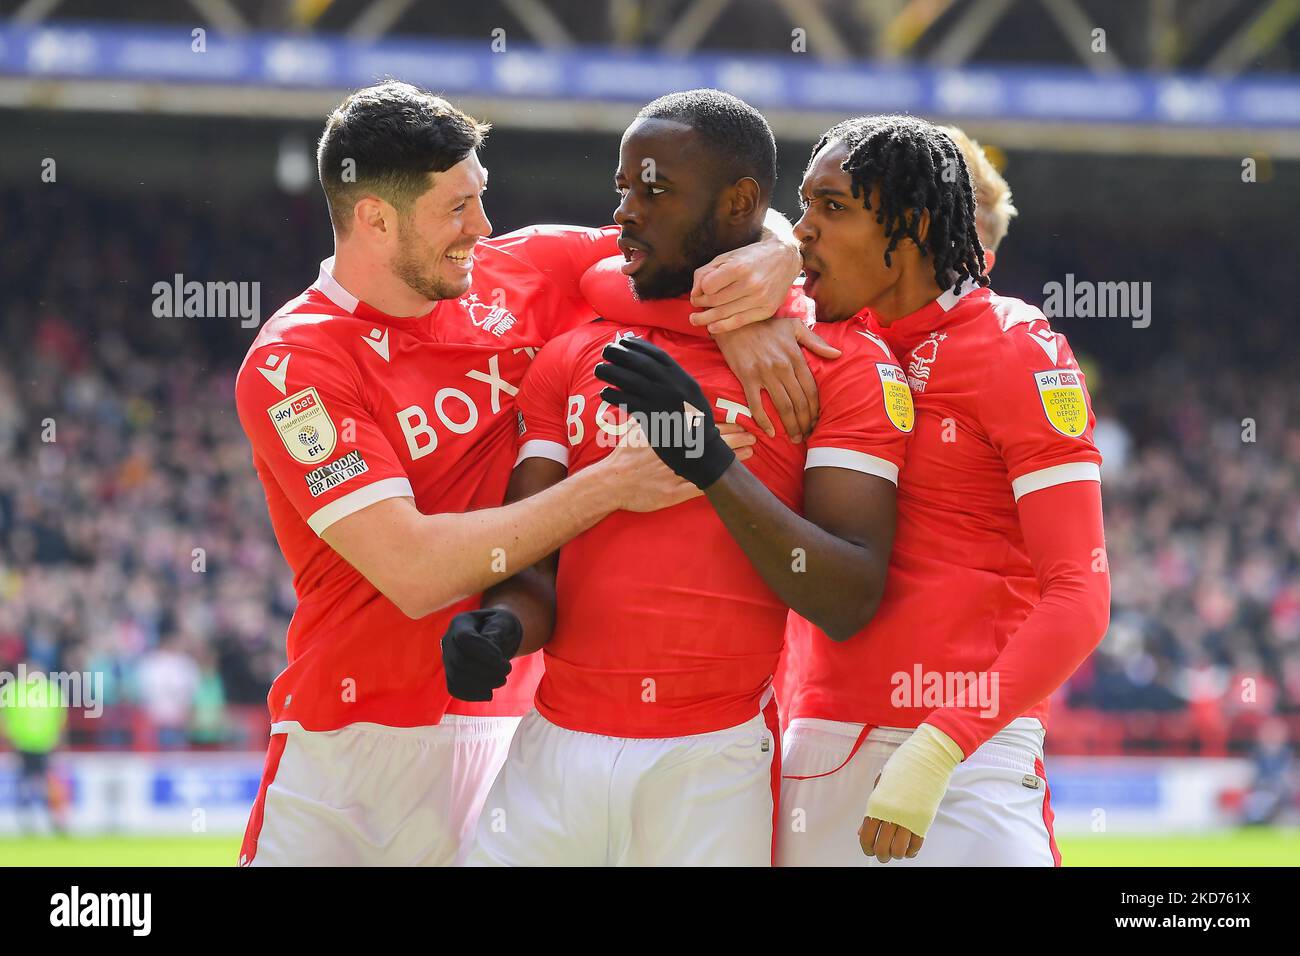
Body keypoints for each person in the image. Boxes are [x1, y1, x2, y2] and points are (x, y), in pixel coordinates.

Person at [233, 81, 799, 866]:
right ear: (375, 219)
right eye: (457, 209)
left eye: (482, 198)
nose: (483, 227)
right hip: (352, 747)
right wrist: (609, 486)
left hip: (509, 730)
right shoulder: (297, 362)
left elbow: (696, 236)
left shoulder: (531, 271)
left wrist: (777, 255)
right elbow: (414, 569)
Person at [445, 90, 911, 866]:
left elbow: (848, 596)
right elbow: (533, 572)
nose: (625, 211)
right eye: (622, 187)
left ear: (739, 203)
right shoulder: (571, 355)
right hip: (548, 755)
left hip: (712, 763)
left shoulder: (839, 364)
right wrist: (500, 629)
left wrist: (708, 461)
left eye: (654, 190)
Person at [777, 115, 1110, 866]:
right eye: (804, 206)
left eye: (831, 208)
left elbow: (1080, 597)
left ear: (914, 225)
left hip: (963, 758)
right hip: (815, 745)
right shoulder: (805, 334)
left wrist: (941, 745)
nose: (803, 231)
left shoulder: (1016, 349)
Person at [1, 663, 68, 834]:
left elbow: (60, 716)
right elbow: (5, 716)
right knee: (27, 782)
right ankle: (27, 820)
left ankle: (54, 819)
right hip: (22, 744)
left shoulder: (49, 690)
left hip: (45, 744)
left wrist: (59, 738)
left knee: (46, 783)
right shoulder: (14, 690)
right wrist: (9, 737)